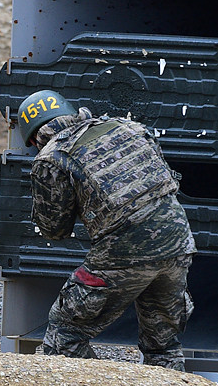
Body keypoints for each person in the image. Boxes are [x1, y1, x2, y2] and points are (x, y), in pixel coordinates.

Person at [17, 89, 195, 371]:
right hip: (178, 242)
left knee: (65, 333)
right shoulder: (127, 127)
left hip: (124, 250)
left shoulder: (51, 157)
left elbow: (54, 229)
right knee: (163, 346)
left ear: (33, 137)